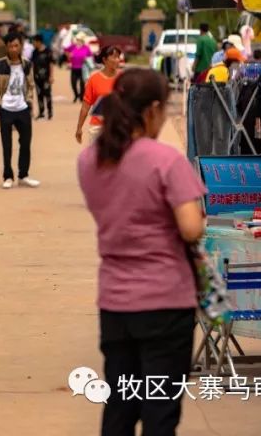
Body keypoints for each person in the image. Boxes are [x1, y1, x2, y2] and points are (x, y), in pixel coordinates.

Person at [77, 69, 205, 436]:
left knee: (120, 403)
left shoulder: (90, 161)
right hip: (166, 301)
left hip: (115, 302)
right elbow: (191, 228)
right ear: (151, 110)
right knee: (160, 411)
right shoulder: (165, 160)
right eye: (164, 110)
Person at [0, 33, 39, 189]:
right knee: (7, 145)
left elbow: (31, 85)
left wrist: (29, 102)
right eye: (10, 46)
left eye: (16, 45)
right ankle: (8, 176)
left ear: (21, 46)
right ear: (6, 47)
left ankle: (23, 175)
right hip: (6, 109)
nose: (13, 49)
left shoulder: (27, 65)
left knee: (25, 143)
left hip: (22, 108)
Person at [77, 46, 123, 145]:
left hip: (118, 127)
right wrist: (79, 128)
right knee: (97, 159)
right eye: (114, 57)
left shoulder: (123, 79)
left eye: (118, 57)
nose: (117, 60)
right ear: (104, 59)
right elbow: (86, 106)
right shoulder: (94, 79)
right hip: (97, 128)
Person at [31, 34, 55, 120]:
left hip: (46, 77)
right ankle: (41, 113)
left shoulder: (48, 51)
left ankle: (50, 112)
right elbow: (32, 64)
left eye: (34, 42)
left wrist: (51, 76)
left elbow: (51, 63)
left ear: (39, 42)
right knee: (39, 95)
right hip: (37, 77)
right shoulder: (34, 52)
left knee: (47, 95)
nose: (33, 43)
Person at [67, 34, 92, 103]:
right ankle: (76, 95)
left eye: (80, 40)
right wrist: (68, 56)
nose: (78, 41)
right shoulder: (73, 47)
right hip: (74, 68)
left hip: (82, 68)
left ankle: (81, 97)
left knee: (82, 84)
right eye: (77, 39)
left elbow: (90, 57)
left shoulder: (86, 47)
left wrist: (86, 59)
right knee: (73, 83)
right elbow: (65, 50)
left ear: (83, 41)